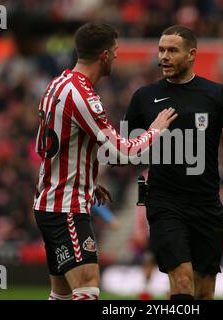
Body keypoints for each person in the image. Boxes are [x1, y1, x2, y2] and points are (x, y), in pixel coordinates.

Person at [33, 22, 177, 300]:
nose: (117, 56)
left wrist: (87, 179)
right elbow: (122, 151)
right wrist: (155, 130)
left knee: (61, 294)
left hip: (48, 202)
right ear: (104, 55)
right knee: (88, 287)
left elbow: (46, 146)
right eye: (115, 51)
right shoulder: (83, 95)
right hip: (67, 207)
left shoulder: (56, 84)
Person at [124, 25, 223, 300]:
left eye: (172, 50)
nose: (164, 56)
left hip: (206, 204)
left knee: (204, 291)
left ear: (192, 54)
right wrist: (151, 135)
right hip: (164, 202)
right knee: (182, 283)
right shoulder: (143, 97)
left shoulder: (217, 95)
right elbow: (124, 150)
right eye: (161, 50)